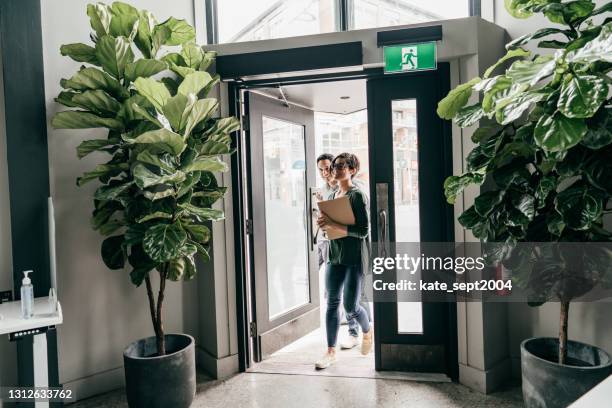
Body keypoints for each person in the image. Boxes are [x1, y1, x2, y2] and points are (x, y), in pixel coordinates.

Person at [315, 153, 372, 369]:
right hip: (334, 255)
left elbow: (364, 231)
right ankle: (330, 352)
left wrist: (334, 224)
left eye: (341, 166)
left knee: (351, 306)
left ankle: (367, 331)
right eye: (335, 166)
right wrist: (324, 223)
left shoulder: (357, 196)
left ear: (352, 170)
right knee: (332, 303)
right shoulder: (331, 196)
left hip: (353, 256)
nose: (335, 169)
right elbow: (330, 225)